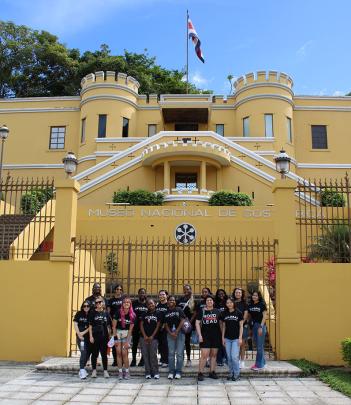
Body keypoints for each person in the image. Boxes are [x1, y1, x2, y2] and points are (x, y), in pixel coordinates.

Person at [196, 295, 222, 381]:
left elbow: (221, 324)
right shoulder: (202, 311)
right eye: (207, 300)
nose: (209, 302)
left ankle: (212, 372)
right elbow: (197, 323)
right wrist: (199, 335)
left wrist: (222, 336)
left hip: (216, 336)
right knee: (204, 355)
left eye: (211, 300)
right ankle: (200, 373)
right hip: (205, 336)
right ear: (205, 302)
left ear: (213, 302)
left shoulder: (217, 311)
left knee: (214, 355)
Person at [112, 297, 135, 380]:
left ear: (130, 304)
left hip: (126, 335)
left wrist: (127, 341)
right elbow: (113, 326)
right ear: (122, 304)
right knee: (118, 353)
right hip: (118, 334)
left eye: (128, 302)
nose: (126, 304)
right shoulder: (118, 312)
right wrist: (115, 339)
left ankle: (127, 371)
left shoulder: (132, 315)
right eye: (125, 302)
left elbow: (130, 330)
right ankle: (120, 372)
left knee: (125, 353)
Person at [221, 296, 243, 381]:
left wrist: (240, 338)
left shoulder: (239, 313)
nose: (229, 304)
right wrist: (223, 338)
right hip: (227, 338)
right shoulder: (224, 313)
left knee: (234, 357)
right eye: (227, 303)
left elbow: (241, 326)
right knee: (229, 357)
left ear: (233, 303)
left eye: (230, 302)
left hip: (236, 339)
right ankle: (231, 373)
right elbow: (224, 327)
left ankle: (236, 374)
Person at [139, 298, 162, 379]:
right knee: (145, 355)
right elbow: (141, 325)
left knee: (153, 355)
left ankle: (155, 372)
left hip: (154, 338)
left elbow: (158, 325)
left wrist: (152, 336)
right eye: (148, 304)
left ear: (155, 304)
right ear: (147, 305)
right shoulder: (144, 313)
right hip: (143, 338)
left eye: (152, 303)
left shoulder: (158, 313)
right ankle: (148, 372)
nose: (150, 305)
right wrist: (145, 335)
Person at [88, 296, 111, 378]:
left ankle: (105, 371)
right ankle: (94, 371)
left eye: (99, 302)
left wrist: (110, 336)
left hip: (104, 337)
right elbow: (90, 326)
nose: (98, 304)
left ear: (103, 303)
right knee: (94, 354)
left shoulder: (106, 313)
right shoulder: (92, 313)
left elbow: (109, 326)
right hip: (95, 336)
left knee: (104, 355)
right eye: (96, 302)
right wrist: (91, 336)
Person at [164, 296, 186, 379]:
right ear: (168, 302)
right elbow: (165, 324)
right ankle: (171, 371)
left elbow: (183, 320)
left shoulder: (179, 310)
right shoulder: (166, 312)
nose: (171, 301)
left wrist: (176, 331)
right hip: (170, 334)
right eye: (170, 300)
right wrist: (171, 333)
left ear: (175, 302)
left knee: (180, 353)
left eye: (173, 300)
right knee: (171, 353)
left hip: (179, 333)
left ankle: (178, 371)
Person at [177, 284, 197, 367]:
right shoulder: (180, 300)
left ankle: (188, 359)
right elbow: (177, 310)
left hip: (188, 324)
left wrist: (189, 322)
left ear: (191, 290)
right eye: (185, 289)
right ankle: (180, 359)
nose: (186, 291)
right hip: (180, 323)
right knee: (180, 342)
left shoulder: (193, 300)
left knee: (187, 342)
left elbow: (195, 312)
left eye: (188, 289)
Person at [248, 290, 267, 371]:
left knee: (259, 346)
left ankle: (259, 365)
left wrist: (261, 326)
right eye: (253, 295)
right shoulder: (250, 305)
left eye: (256, 295)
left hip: (260, 326)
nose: (254, 296)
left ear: (259, 296)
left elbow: (264, 316)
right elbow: (249, 316)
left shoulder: (262, 305)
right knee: (258, 345)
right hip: (254, 326)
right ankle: (263, 362)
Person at [108, 284, 125, 367]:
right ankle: (115, 360)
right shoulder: (111, 300)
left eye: (120, 289)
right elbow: (108, 312)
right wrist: (112, 323)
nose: (119, 290)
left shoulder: (124, 299)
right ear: (115, 290)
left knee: (123, 344)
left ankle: (122, 360)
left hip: (123, 325)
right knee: (115, 344)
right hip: (114, 325)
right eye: (117, 289)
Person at [73, 301, 91, 379]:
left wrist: (82, 333)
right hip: (80, 337)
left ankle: (82, 369)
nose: (86, 307)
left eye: (88, 306)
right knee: (83, 352)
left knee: (88, 353)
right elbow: (75, 324)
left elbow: (91, 326)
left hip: (87, 336)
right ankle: (82, 369)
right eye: (84, 306)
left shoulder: (91, 314)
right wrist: (79, 334)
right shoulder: (79, 314)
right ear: (82, 306)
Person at [131, 288, 148, 367]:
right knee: (134, 344)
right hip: (135, 327)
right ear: (138, 294)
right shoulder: (134, 303)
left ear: (145, 294)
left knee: (143, 345)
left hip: (145, 328)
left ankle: (142, 360)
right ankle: (134, 359)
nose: (142, 294)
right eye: (140, 293)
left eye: (143, 293)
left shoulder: (147, 303)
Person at [233, 287, 249, 368]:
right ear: (234, 293)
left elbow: (245, 315)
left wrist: (241, 324)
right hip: (233, 327)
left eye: (239, 292)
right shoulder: (232, 302)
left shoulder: (245, 304)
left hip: (242, 326)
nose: (238, 294)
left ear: (242, 294)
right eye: (236, 292)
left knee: (242, 344)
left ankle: (242, 361)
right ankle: (236, 360)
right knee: (235, 345)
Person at [215, 288, 228, 366]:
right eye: (219, 294)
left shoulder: (227, 303)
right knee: (219, 343)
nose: (221, 295)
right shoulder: (215, 304)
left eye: (222, 294)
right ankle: (219, 359)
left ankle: (225, 358)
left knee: (226, 342)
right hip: (217, 325)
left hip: (227, 324)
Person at [156, 289, 169, 368]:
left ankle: (166, 361)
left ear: (166, 296)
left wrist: (164, 325)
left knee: (165, 344)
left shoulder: (168, 305)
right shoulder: (157, 305)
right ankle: (161, 359)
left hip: (166, 328)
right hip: (158, 328)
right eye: (160, 294)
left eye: (163, 294)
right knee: (160, 345)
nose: (162, 296)